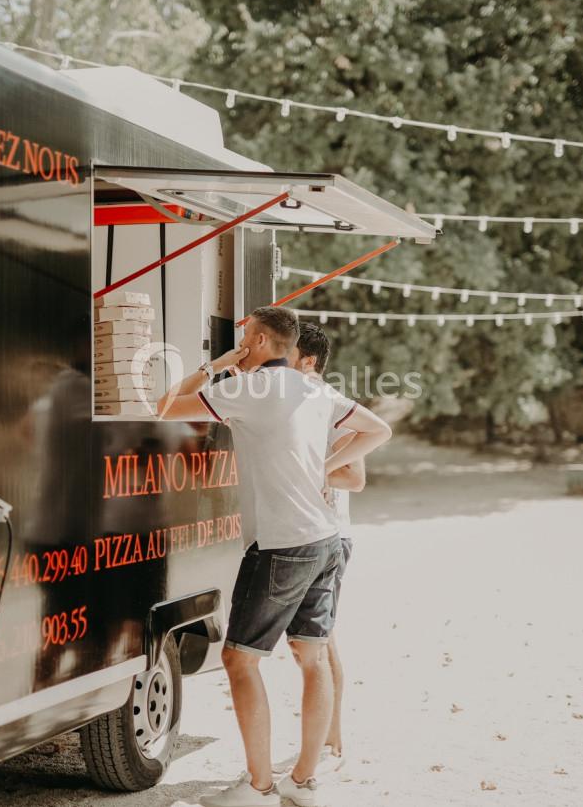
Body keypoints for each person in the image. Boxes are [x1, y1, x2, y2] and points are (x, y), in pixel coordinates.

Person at [157, 306, 391, 807]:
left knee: (239, 660)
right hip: (327, 539)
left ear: (260, 340)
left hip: (281, 544)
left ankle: (258, 788)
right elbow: (378, 431)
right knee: (312, 656)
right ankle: (303, 782)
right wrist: (322, 470)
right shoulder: (317, 389)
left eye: (245, 337)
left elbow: (164, 406)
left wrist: (219, 363)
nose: (241, 342)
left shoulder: (243, 388)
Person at [290, 322, 363, 771]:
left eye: (287, 353)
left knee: (320, 642)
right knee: (314, 642)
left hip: (332, 533)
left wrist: (304, 473)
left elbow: (355, 477)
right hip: (308, 533)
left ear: (308, 361)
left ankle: (333, 734)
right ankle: (330, 733)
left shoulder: (335, 407)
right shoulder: (298, 404)